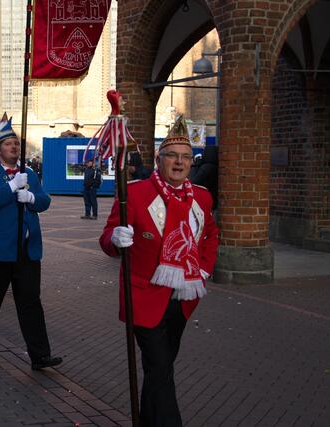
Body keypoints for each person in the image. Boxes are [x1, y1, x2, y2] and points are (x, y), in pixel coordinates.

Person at [99, 115, 219, 426]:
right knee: (160, 367)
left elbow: (210, 235)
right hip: (144, 296)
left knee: (159, 370)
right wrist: (115, 239)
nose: (179, 163)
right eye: (172, 156)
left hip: (184, 297)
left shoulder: (202, 196)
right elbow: (107, 239)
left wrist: (204, 269)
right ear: (158, 159)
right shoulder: (135, 193)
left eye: (186, 157)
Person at [0, 113, 62, 371]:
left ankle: (40, 355)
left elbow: (44, 201)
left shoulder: (29, 174)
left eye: (16, 143)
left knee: (31, 303)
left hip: (26, 250)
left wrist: (31, 198)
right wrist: (11, 187)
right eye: (8, 143)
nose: (14, 147)